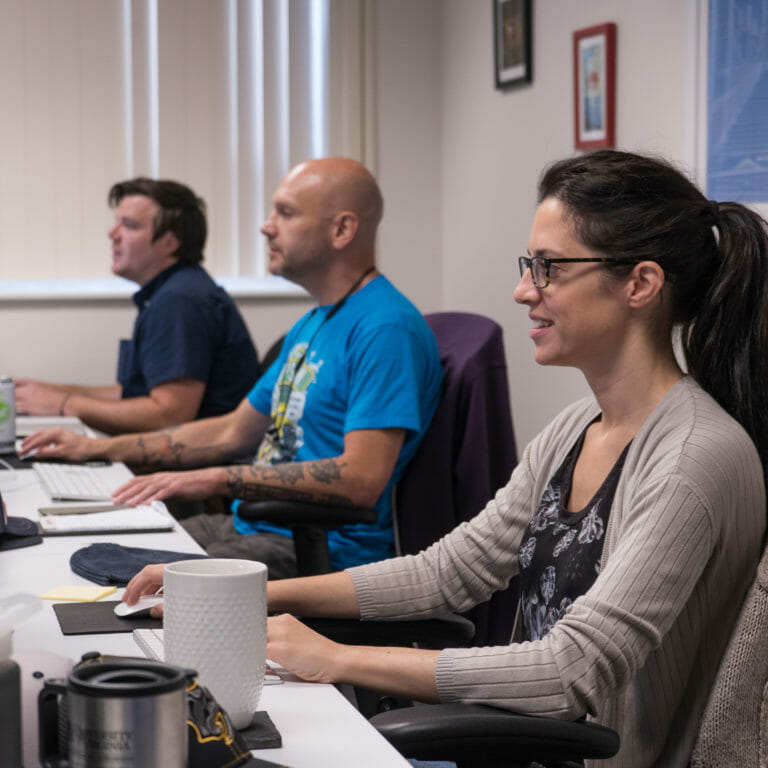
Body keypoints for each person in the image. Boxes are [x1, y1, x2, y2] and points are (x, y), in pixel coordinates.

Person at [124, 149, 768, 767]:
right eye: (528, 264)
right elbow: (448, 571)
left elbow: (570, 670)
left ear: (641, 284)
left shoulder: (691, 459)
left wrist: (337, 658)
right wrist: (242, 592)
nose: (523, 290)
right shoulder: (578, 427)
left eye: (548, 268)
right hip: (530, 740)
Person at [22, 158, 443, 579]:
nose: (266, 226)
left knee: (124, 587)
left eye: (286, 212)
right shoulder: (314, 323)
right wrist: (96, 448)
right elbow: (230, 431)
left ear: (342, 230)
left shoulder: (386, 328)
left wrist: (219, 479)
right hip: (251, 525)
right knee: (76, 554)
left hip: (321, 552)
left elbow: (361, 478)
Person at [15, 178, 259, 434]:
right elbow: (135, 394)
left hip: (198, 466)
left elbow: (169, 415)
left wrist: (65, 404)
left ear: (170, 243)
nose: (113, 234)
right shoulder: (172, 291)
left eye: (129, 226)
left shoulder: (180, 301)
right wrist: (51, 393)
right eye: (116, 222)